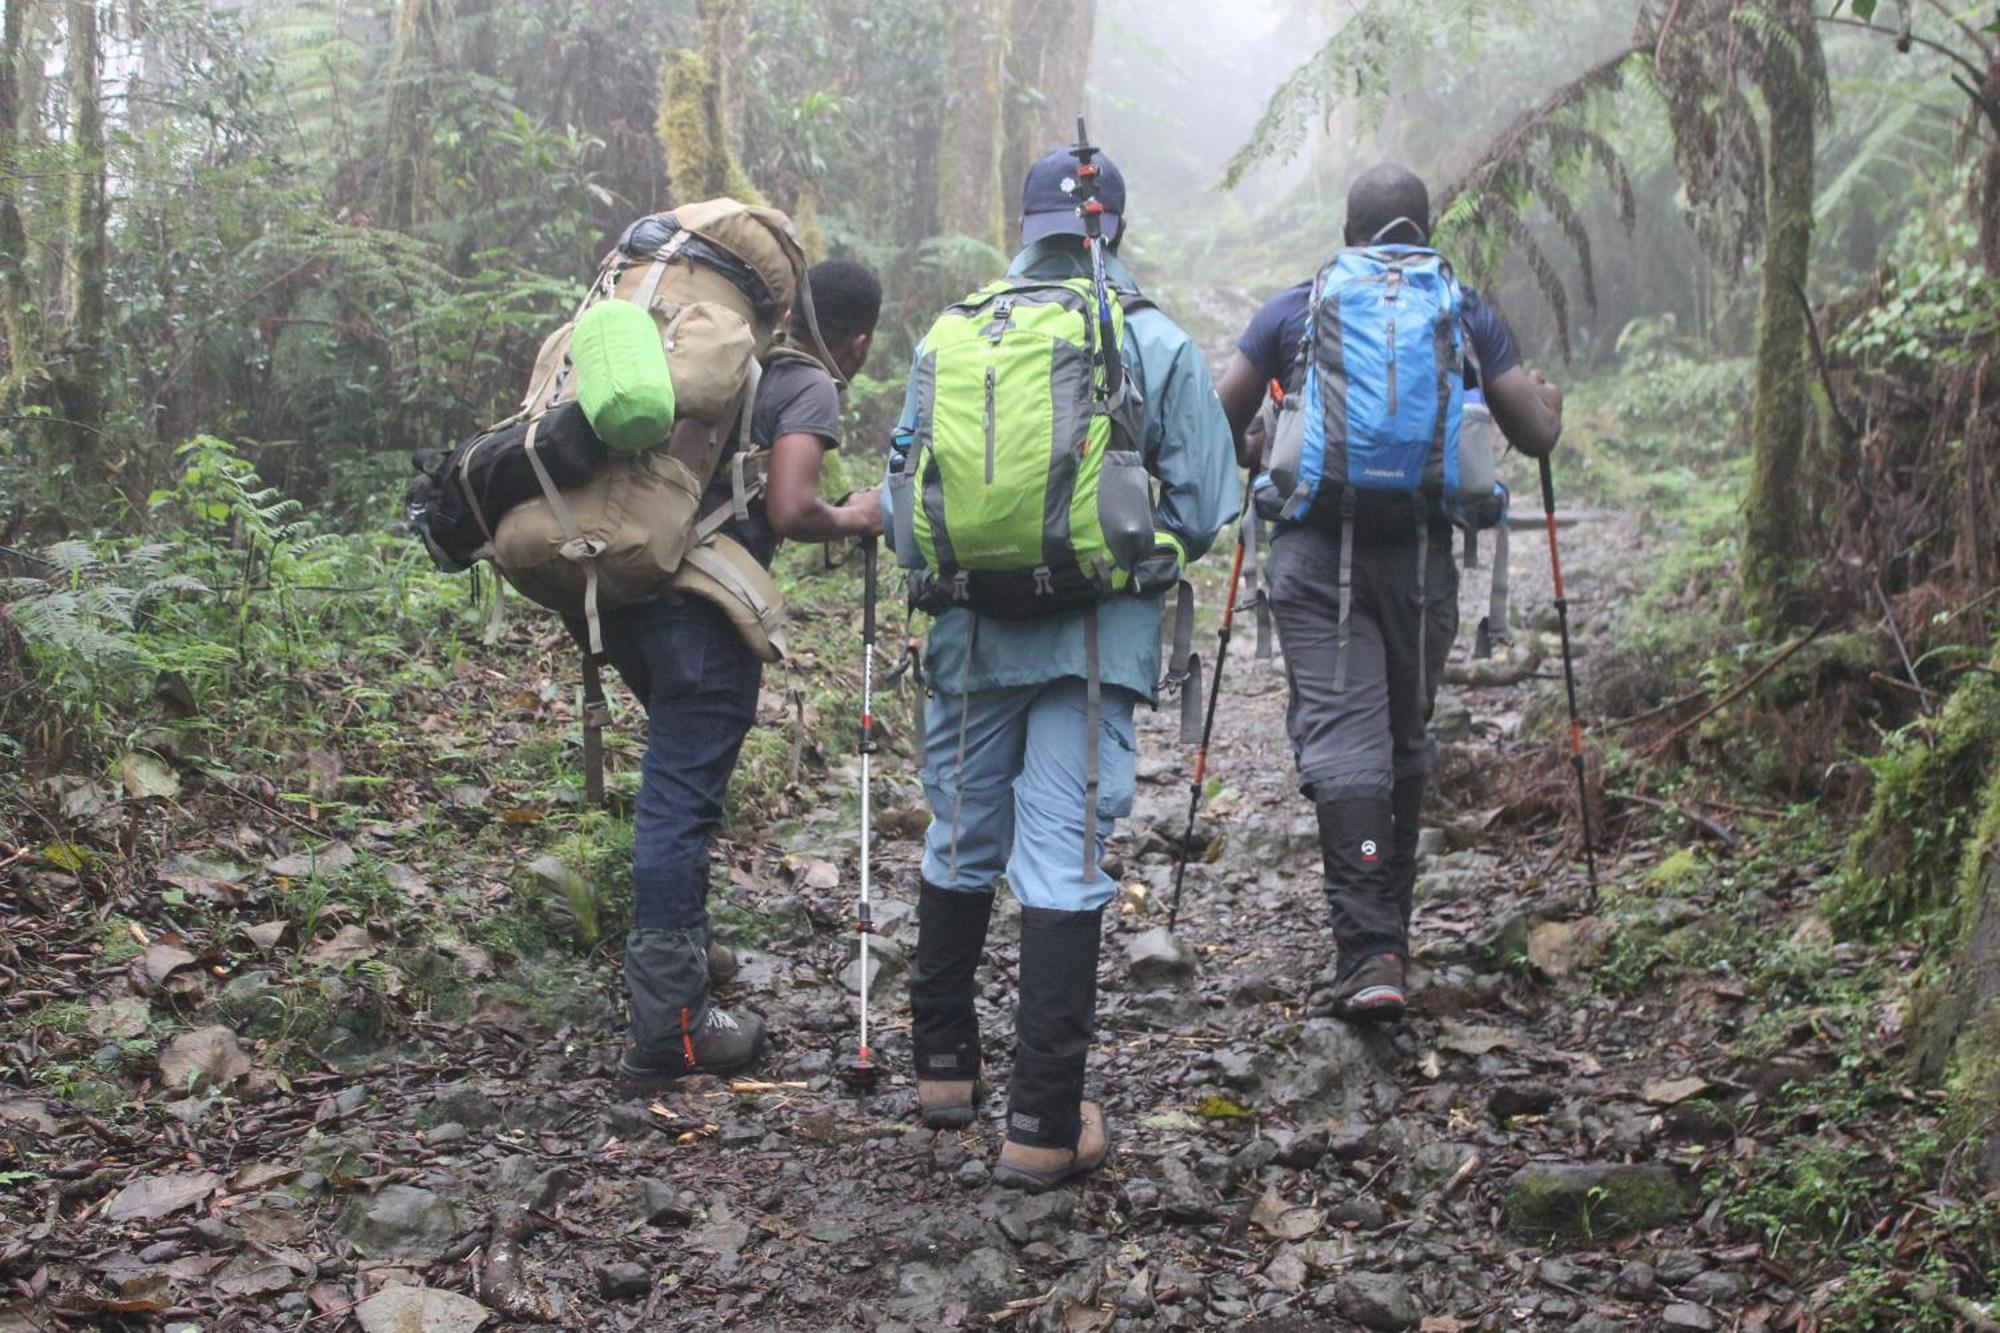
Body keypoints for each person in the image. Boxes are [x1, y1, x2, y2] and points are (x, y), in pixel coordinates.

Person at [885, 147, 1240, 1191]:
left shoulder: (950, 334)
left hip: (965, 638)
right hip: (1093, 642)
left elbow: (907, 513)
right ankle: (1042, 1121)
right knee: (1058, 855)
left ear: (1024, 223)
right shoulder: (1149, 339)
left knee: (959, 833)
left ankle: (941, 1069)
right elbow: (1210, 502)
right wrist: (1126, 556)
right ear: (1111, 232)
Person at [1213, 164, 1564, 1024]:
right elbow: (1535, 430)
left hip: (1313, 558)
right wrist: (1550, 402)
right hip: (1420, 558)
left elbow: (1220, 413)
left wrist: (1260, 442)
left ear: (1348, 233)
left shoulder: (1299, 307)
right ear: (1424, 228)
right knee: (1401, 735)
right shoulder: (1465, 309)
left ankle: (1370, 952)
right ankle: (1385, 939)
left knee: (1343, 741)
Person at [608, 259, 885, 1085]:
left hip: (630, 592)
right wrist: (857, 513)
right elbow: (791, 508)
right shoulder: (804, 384)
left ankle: (682, 957)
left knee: (675, 789)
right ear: (858, 339)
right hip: (702, 610)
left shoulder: (718, 364)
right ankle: (673, 1028)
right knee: (680, 805)